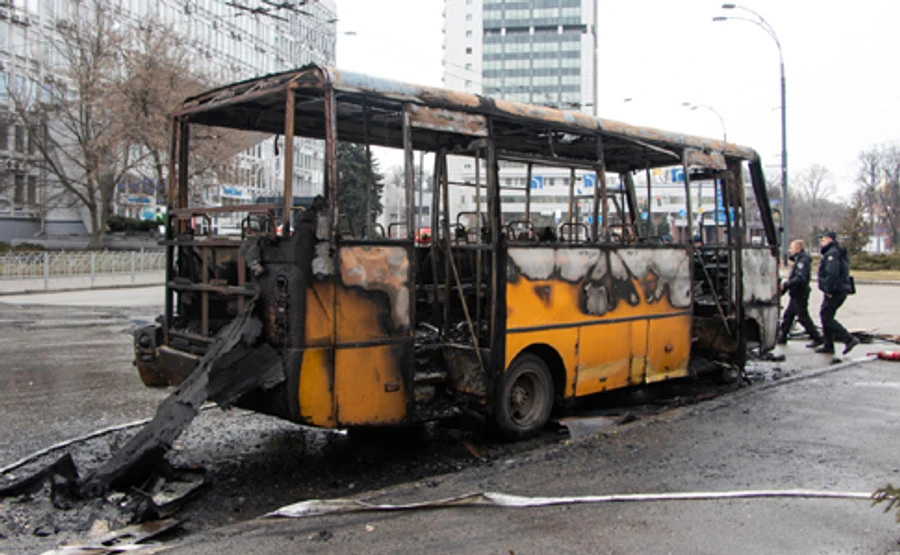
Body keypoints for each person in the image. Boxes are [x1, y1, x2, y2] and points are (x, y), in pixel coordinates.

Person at [810, 231, 859, 355]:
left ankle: (848, 338)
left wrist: (829, 290)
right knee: (825, 315)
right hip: (838, 289)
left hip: (835, 290)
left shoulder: (832, 254)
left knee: (826, 316)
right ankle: (828, 345)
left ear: (829, 240)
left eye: (823, 240)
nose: (822, 243)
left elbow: (832, 273)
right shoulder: (834, 252)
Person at [778, 239, 822, 345]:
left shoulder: (802, 261)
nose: (790, 250)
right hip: (796, 293)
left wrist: (786, 285)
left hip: (800, 292)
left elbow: (800, 278)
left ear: (798, 248)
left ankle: (817, 338)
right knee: (788, 316)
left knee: (803, 317)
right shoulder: (798, 260)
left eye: (792, 248)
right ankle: (782, 337)